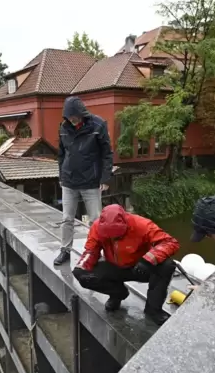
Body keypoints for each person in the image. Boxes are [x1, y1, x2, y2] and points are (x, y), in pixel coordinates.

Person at [72, 204, 179, 325]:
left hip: (141, 267)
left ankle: (153, 310)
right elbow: (91, 251)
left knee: (167, 266)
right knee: (84, 276)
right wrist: (81, 268)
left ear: (125, 222)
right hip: (114, 266)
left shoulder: (142, 224)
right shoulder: (96, 227)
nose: (113, 238)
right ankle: (117, 293)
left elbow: (170, 242)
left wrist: (149, 259)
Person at [54, 96, 114, 266]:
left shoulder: (98, 125)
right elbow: (61, 154)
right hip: (69, 181)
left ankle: (97, 252)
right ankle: (65, 251)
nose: (72, 120)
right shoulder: (64, 128)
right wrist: (61, 176)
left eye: (75, 116)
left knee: (95, 220)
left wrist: (105, 178)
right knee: (67, 218)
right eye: (69, 117)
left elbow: (107, 154)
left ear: (82, 113)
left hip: (91, 181)